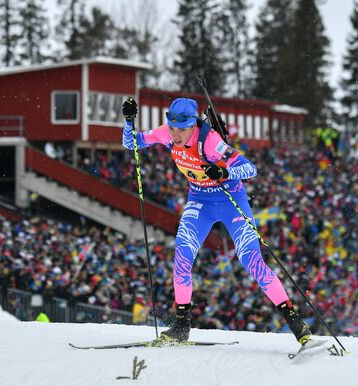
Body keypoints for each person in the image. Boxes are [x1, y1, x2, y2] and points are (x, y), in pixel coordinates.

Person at [121, 97, 312, 346]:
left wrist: (224, 171)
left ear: (193, 125)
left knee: (251, 262)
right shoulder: (165, 133)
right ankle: (181, 325)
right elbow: (130, 143)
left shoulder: (210, 141)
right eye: (172, 128)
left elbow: (249, 168)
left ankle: (297, 324)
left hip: (231, 200)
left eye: (182, 129)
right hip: (200, 202)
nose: (175, 135)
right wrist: (128, 122)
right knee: (182, 257)